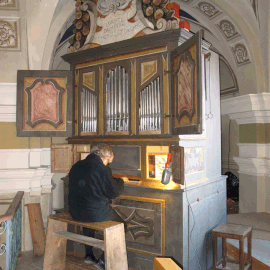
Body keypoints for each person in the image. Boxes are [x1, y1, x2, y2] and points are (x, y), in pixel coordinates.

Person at [68, 143, 127, 270]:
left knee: (88, 220)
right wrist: (121, 181)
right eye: (107, 162)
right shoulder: (101, 168)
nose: (107, 165)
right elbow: (113, 192)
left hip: (75, 211)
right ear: (106, 157)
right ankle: (103, 261)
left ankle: (89, 255)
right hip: (94, 213)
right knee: (122, 225)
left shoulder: (77, 165)